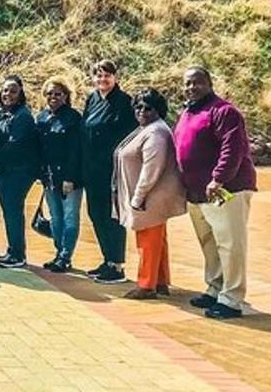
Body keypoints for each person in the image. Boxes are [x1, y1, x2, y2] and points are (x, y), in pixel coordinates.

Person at [174, 67, 258, 320]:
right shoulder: (188, 112)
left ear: (209, 83)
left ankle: (232, 298)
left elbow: (233, 149)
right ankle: (215, 287)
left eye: (197, 83)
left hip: (225, 190)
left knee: (230, 244)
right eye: (187, 84)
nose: (191, 88)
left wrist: (218, 179)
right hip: (196, 194)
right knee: (209, 243)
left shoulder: (225, 112)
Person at [114, 88, 186, 300]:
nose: (142, 111)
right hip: (149, 197)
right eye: (138, 107)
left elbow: (151, 169)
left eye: (148, 108)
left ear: (158, 110)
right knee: (157, 240)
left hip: (150, 198)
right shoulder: (148, 128)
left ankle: (146, 285)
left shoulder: (156, 133)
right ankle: (160, 281)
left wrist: (137, 198)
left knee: (147, 242)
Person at [78, 60, 134, 283]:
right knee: (96, 214)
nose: (103, 80)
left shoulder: (124, 102)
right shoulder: (92, 99)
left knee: (112, 217)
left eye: (107, 76)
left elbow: (128, 137)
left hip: (112, 171)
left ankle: (117, 265)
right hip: (92, 171)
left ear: (115, 77)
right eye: (99, 76)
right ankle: (106, 259)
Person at [0, 75, 42, 268]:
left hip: (19, 171)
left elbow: (14, 144)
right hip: (4, 171)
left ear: (21, 94)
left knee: (13, 211)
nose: (7, 94)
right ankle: (13, 250)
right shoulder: (2, 114)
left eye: (13, 91)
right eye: (5, 90)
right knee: (9, 211)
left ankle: (18, 255)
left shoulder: (23, 116)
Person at [36, 79, 83, 273]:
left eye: (58, 94)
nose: (53, 98)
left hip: (69, 177)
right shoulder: (42, 118)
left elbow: (76, 150)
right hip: (49, 177)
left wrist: (70, 178)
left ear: (66, 96)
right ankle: (58, 253)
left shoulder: (73, 118)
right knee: (56, 218)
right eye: (49, 94)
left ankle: (66, 256)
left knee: (70, 217)